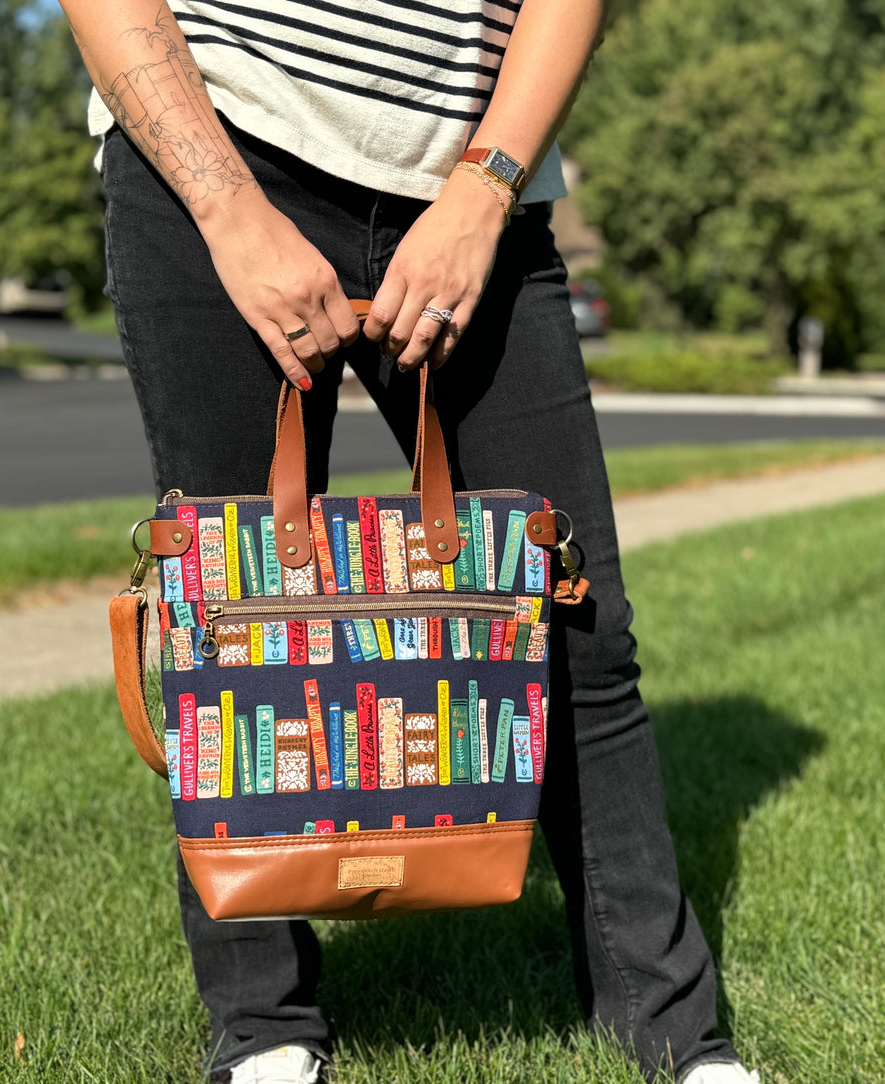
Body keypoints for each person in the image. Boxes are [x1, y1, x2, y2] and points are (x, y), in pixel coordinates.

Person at [59, 2, 757, 1082]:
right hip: (221, 157)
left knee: (571, 622)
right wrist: (229, 210)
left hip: (473, 185)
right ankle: (264, 1030)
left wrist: (483, 193)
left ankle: (671, 1030)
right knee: (234, 627)